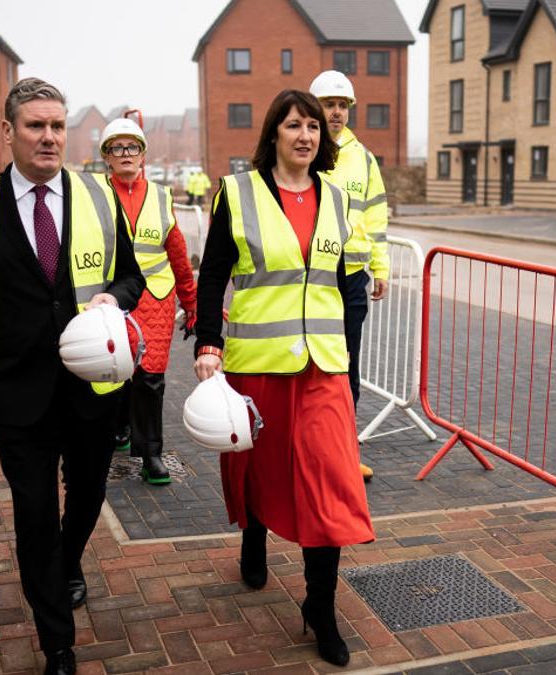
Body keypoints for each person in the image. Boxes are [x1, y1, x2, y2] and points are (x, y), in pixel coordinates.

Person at [0, 78, 145, 675]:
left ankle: (65, 561)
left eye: (57, 125)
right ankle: (58, 643)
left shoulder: (98, 197)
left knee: (89, 496)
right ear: (8, 131)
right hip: (16, 391)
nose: (49, 137)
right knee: (34, 514)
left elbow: (132, 278)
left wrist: (111, 301)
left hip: (93, 388)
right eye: (35, 126)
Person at [193, 89, 373, 667]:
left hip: (323, 368)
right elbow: (214, 270)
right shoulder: (238, 193)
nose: (305, 135)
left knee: (331, 480)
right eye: (294, 125)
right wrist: (207, 342)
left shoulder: (340, 199)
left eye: (314, 127)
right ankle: (254, 534)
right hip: (257, 365)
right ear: (273, 133)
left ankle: (319, 606)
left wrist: (351, 360)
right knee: (258, 469)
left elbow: (347, 287)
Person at [100, 117, 198, 485]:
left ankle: (151, 454)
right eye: (117, 147)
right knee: (115, 371)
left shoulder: (161, 195)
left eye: (133, 147)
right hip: (110, 297)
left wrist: (191, 302)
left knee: (150, 378)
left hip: (155, 297)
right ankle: (120, 427)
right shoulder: (95, 195)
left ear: (143, 155)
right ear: (107, 157)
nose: (126, 154)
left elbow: (177, 252)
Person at [309, 71, 390, 483]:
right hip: (311, 276)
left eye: (343, 105)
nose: (336, 111)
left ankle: (344, 452)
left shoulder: (363, 157)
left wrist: (380, 266)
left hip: (352, 275)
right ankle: (309, 451)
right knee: (311, 364)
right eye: (329, 104)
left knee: (348, 366)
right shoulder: (303, 149)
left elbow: (375, 213)